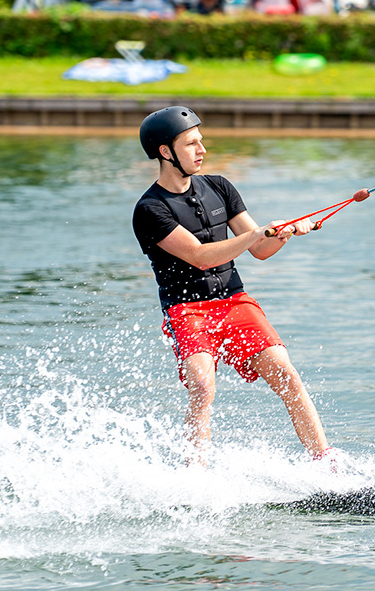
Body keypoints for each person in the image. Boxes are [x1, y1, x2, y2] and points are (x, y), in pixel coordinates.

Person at [131, 107, 339, 468]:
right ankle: (195, 476)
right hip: (187, 310)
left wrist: (287, 232)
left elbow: (260, 250)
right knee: (202, 386)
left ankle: (326, 463)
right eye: (191, 144)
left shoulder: (220, 187)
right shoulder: (150, 209)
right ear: (166, 152)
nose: (202, 150)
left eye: (201, 141)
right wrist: (257, 233)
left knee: (286, 373)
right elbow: (200, 256)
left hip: (233, 301)